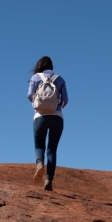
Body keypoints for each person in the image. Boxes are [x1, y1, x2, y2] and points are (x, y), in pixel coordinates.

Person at [28, 56, 68, 191]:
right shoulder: (60, 79)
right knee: (52, 150)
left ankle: (39, 164)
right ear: (52, 66)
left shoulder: (35, 78)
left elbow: (29, 95)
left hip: (40, 116)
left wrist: (38, 105)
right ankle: (49, 181)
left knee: (39, 145)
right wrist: (56, 108)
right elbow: (65, 100)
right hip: (57, 117)